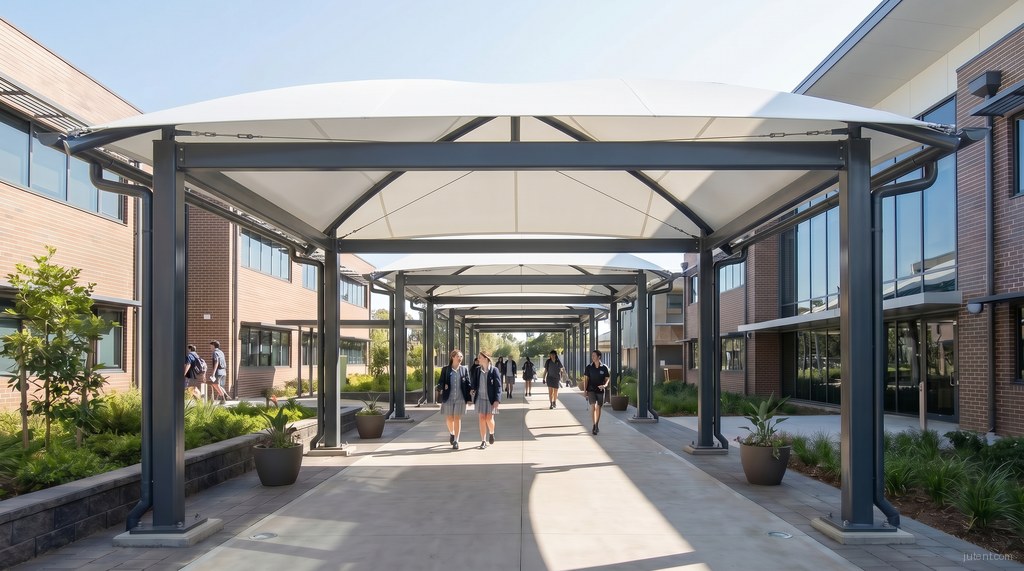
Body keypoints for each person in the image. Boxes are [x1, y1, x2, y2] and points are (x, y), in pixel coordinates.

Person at [437, 349, 471, 450]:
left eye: (461, 356)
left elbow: (468, 384)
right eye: (458, 356)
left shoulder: (464, 370)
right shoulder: (446, 370)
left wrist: (469, 398)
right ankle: (452, 433)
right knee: (449, 418)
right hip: (448, 398)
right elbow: (440, 382)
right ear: (453, 357)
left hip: (460, 398)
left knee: (457, 418)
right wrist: (443, 386)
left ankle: (456, 440)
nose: (460, 358)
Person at [470, 351, 502, 449]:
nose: (478, 359)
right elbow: (474, 383)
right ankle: (483, 440)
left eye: (480, 357)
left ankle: (491, 433)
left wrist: (497, 400)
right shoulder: (477, 370)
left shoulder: (494, 370)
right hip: (480, 398)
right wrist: (472, 390)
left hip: (491, 399)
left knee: (489, 418)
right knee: (481, 418)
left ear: (486, 358)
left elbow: (498, 386)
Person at [583, 350, 610, 435]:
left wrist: (604, 386)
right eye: (592, 356)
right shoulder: (589, 367)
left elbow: (607, 379)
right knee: (593, 407)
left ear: (599, 357)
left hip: (600, 390)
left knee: (598, 407)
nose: (592, 357)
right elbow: (586, 379)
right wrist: (585, 390)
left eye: (594, 355)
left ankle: (597, 424)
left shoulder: (604, 367)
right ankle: (594, 425)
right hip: (591, 389)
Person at [207, 340, 229, 404]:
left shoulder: (215, 352)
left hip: (218, 371)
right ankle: (224, 395)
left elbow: (216, 362)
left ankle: (223, 398)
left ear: (213, 345)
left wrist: (213, 373)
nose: (210, 347)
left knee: (215, 384)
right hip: (223, 371)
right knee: (220, 385)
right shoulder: (221, 352)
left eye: (211, 346)